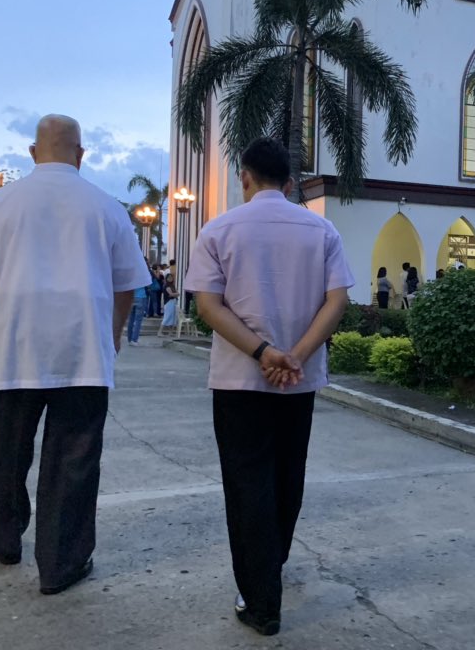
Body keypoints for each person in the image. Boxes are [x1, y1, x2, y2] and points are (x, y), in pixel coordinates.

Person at [0, 114, 150, 595]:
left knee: (6, 451)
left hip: (14, 351)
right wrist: (114, 333)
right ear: (81, 154)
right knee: (74, 461)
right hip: (83, 354)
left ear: (33, 151)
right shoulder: (106, 207)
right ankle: (60, 564)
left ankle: (5, 534)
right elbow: (128, 285)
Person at [185, 137, 354, 637]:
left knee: (246, 482)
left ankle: (261, 599)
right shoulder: (321, 230)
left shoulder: (219, 229)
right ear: (289, 181)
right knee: (287, 476)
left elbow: (209, 306)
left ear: (245, 176)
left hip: (239, 380)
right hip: (298, 383)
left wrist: (263, 354)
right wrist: (295, 356)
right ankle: (270, 565)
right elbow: (336, 300)